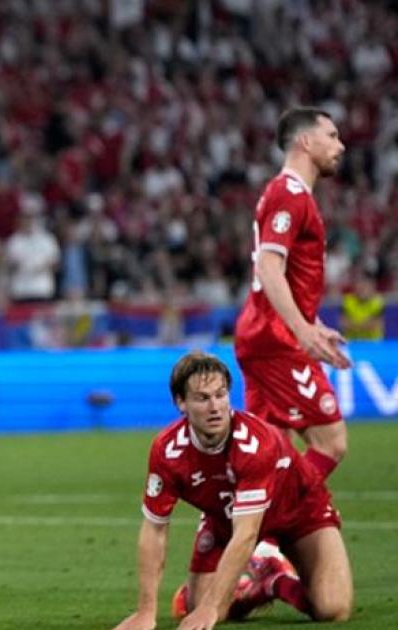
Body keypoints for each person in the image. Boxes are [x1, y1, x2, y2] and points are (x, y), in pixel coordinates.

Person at [113, 352, 352, 630]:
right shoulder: (167, 451)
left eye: (221, 395)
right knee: (196, 606)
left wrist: (211, 607)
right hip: (226, 517)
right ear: (181, 402)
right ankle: (264, 582)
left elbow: (246, 533)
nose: (215, 407)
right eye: (202, 398)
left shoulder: (255, 444)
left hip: (300, 509)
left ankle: (273, 576)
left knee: (332, 608)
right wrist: (146, 612)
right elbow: (154, 528)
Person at [235, 107, 351, 477]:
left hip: (264, 333)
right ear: (305, 141)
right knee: (331, 442)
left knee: (270, 456)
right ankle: (286, 512)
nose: (340, 146)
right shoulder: (290, 194)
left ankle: (249, 514)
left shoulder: (286, 193)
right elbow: (268, 267)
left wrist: (311, 322)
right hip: (277, 339)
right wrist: (302, 330)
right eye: (331, 136)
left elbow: (285, 275)